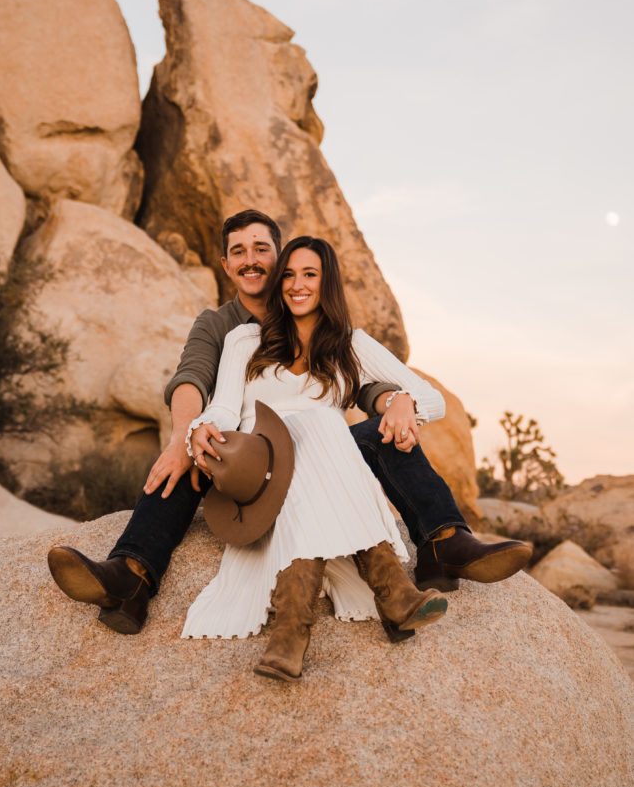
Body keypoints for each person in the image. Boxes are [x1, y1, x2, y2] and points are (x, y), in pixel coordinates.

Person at [48, 209, 530, 634]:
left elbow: (359, 384)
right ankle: (130, 576)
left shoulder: (329, 331)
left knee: (380, 434)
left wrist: (398, 400)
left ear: (279, 259)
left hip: (319, 452)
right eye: (238, 251)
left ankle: (444, 541)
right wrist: (183, 437)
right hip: (245, 457)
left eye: (262, 248)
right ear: (226, 265)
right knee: (185, 460)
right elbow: (193, 377)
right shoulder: (225, 329)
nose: (251, 259)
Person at [183, 236, 452, 680]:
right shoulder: (245, 338)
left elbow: (433, 399)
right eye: (288, 274)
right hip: (263, 463)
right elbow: (226, 407)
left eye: (310, 274)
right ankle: (393, 592)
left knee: (325, 425)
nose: (296, 284)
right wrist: (201, 427)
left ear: (327, 283)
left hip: (320, 469)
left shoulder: (351, 343)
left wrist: (404, 402)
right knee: (323, 425)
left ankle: (292, 628)